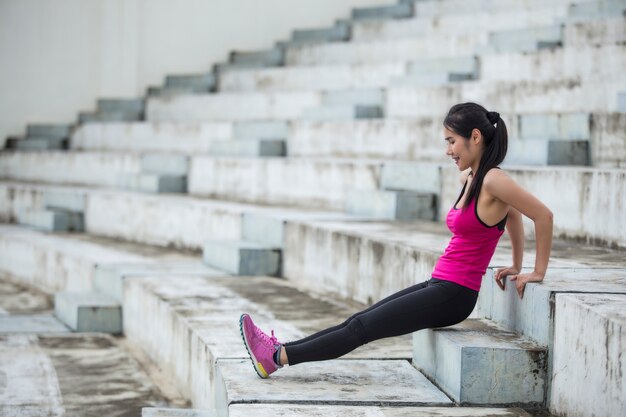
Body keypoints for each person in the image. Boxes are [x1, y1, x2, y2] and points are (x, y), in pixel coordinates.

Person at [239, 102, 554, 379]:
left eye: (451, 141)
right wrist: (514, 263)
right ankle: (277, 351)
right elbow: (510, 216)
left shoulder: (495, 180)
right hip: (441, 283)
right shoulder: (471, 178)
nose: (448, 151)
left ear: (475, 136)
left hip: (456, 294)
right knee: (358, 320)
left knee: (361, 329)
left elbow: (542, 216)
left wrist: (534, 271)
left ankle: (277, 357)